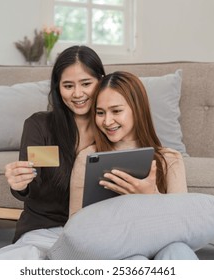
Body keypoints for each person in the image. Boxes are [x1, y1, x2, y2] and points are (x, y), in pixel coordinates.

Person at [0, 45, 105, 259]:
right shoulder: (40, 126)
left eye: (86, 84)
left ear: (101, 81)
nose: (78, 94)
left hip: (94, 234)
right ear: (58, 88)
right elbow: (30, 185)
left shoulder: (111, 127)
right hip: (42, 231)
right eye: (68, 86)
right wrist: (19, 184)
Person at [69, 71, 198, 260]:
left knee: (179, 251)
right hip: (112, 247)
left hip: (160, 242)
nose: (107, 121)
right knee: (135, 260)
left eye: (116, 111)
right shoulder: (87, 158)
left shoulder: (170, 159)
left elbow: (183, 228)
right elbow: (74, 227)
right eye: (100, 112)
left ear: (137, 109)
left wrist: (151, 197)